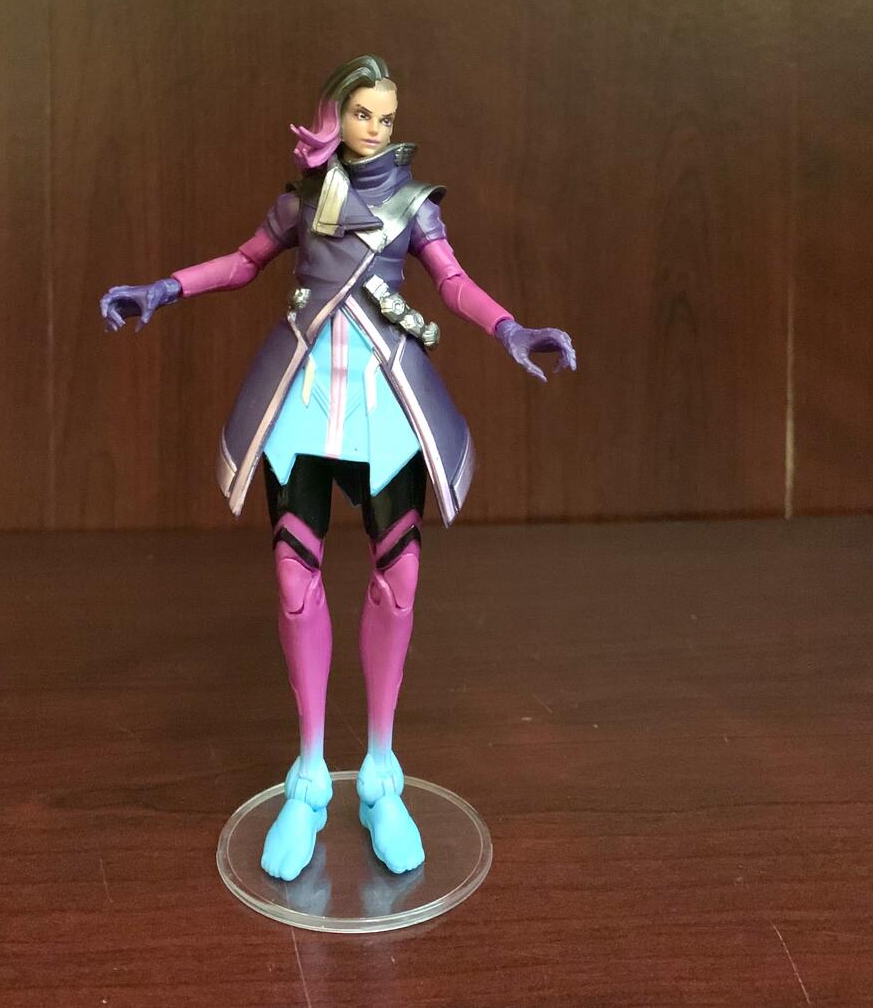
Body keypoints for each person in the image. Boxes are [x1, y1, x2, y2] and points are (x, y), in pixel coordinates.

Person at [101, 55, 575, 881]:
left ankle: (382, 771)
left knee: (401, 577)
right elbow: (243, 262)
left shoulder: (413, 207)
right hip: (304, 400)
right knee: (294, 579)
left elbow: (454, 283)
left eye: (386, 117)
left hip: (385, 404)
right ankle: (311, 773)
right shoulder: (300, 201)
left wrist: (510, 329)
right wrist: (164, 289)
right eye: (363, 113)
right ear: (332, 113)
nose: (376, 129)